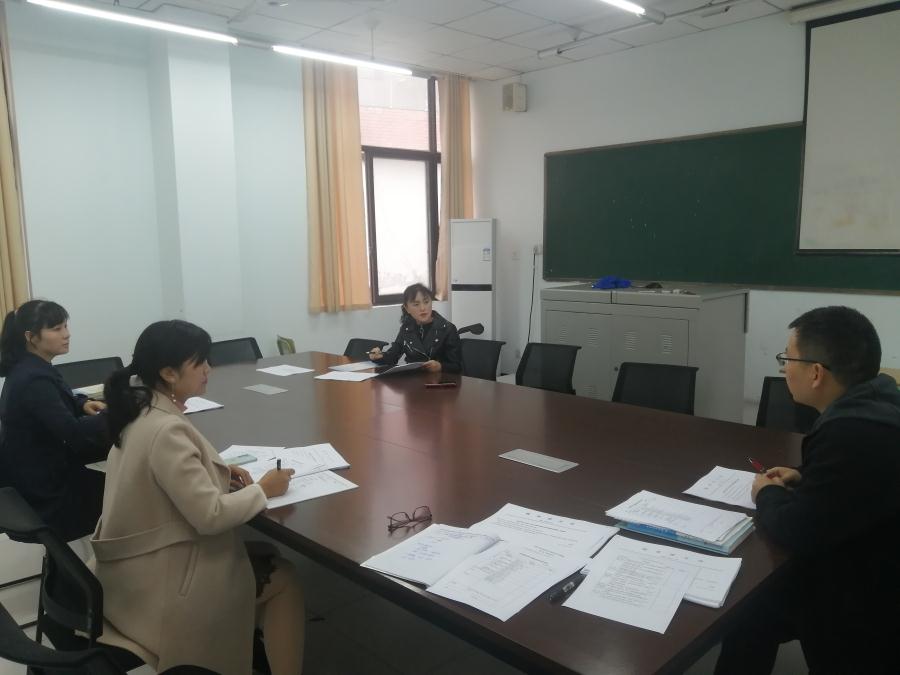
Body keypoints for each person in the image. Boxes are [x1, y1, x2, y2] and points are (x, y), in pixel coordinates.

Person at [92, 320, 305, 675]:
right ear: (168, 373)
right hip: (158, 587)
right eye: (200, 362)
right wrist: (264, 489)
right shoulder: (167, 429)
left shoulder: (141, 410)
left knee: (264, 554)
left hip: (130, 573)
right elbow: (211, 516)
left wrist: (216, 471)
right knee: (284, 578)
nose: (209, 369)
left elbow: (165, 477)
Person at [715, 306, 900, 675]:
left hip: (864, 601)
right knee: (752, 615)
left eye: (788, 358)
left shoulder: (848, 432)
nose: (784, 368)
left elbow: (798, 530)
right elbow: (855, 480)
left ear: (816, 373)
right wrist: (804, 475)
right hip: (874, 560)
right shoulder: (880, 401)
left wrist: (765, 492)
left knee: (751, 603)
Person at [0, 300, 109, 541]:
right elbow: (74, 433)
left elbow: (55, 400)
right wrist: (117, 414)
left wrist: (81, 404)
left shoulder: (31, 367)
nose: (66, 334)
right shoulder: (33, 379)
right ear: (31, 337)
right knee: (128, 492)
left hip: (37, 477)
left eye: (65, 326)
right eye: (56, 329)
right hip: (47, 493)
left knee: (121, 483)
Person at [368, 283, 462, 373]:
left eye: (426, 302)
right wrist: (378, 356)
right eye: (416, 304)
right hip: (414, 378)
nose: (423, 308)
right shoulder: (407, 328)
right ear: (407, 308)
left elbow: (457, 366)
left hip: (441, 381)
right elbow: (393, 356)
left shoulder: (448, 329)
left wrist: (440, 366)